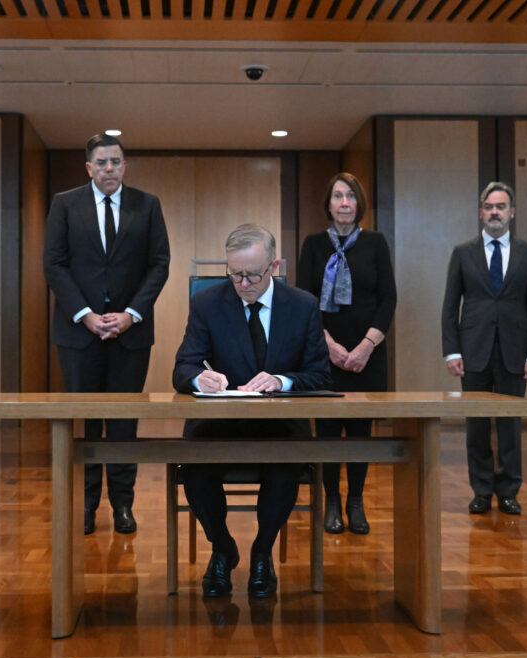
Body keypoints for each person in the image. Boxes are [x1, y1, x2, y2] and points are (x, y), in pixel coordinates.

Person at [173, 225, 329, 599]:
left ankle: (263, 551)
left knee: (284, 466)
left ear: (273, 266)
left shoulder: (302, 305)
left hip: (280, 424)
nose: (242, 284)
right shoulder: (208, 303)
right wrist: (200, 379)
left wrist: (281, 381)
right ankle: (223, 548)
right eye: (235, 274)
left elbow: (319, 373)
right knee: (195, 469)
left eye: (252, 275)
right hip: (219, 423)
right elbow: (183, 367)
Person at [44, 132, 171, 536]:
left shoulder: (147, 205)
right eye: (101, 163)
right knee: (85, 422)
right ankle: (85, 505)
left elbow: (159, 264)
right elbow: (55, 265)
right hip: (79, 335)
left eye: (116, 161)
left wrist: (132, 314)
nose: (109, 169)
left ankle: (122, 506)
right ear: (89, 167)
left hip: (130, 335)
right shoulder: (65, 204)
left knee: (123, 423)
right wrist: (85, 315)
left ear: (124, 165)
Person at [296, 172, 396, 535]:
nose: (343, 203)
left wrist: (366, 346)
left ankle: (356, 500)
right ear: (328, 203)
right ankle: (332, 501)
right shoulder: (313, 245)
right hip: (323, 353)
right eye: (337, 196)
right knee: (326, 430)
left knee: (359, 431)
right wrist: (330, 347)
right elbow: (304, 301)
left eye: (350, 197)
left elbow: (389, 299)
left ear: (359, 204)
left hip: (367, 355)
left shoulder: (376, 243)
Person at [440, 181, 527, 515]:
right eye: (489, 207)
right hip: (474, 351)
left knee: (511, 424)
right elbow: (449, 306)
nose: (494, 212)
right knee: (478, 425)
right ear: (481, 212)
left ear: (511, 212)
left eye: (501, 207)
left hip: (515, 350)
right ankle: (482, 490)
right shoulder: (462, 252)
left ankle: (509, 490)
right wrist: (452, 351)